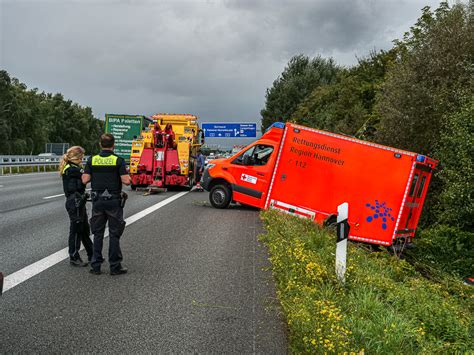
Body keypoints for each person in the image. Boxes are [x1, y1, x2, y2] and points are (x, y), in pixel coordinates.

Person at [82, 134, 131, 275]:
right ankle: (115, 266)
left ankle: (95, 266)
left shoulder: (93, 160)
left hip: (97, 201)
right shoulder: (118, 161)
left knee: (97, 233)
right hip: (113, 201)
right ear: (113, 145)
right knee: (114, 234)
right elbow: (126, 181)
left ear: (100, 144)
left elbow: (85, 179)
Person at [60, 146, 93, 267]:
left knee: (84, 229)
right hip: (74, 202)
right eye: (82, 157)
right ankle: (74, 256)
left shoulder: (74, 167)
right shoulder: (72, 169)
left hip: (78, 201)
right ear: (77, 157)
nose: (82, 159)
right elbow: (86, 177)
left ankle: (92, 254)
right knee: (76, 230)